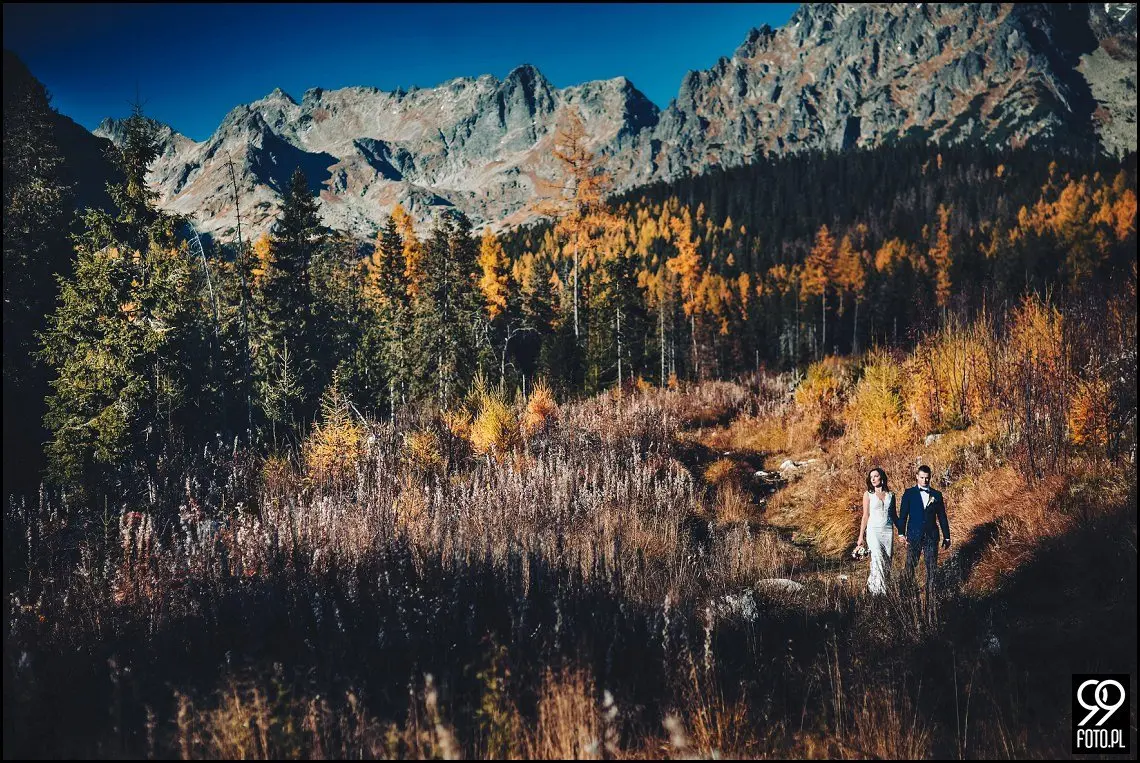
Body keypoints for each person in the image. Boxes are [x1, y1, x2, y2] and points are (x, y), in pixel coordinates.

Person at [896, 464, 951, 612]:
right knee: (910, 565)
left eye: (927, 478)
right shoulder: (909, 494)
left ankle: (931, 598)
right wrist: (901, 533)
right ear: (917, 477)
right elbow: (903, 516)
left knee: (932, 567)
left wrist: (947, 536)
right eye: (922, 478)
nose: (925, 480)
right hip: (914, 535)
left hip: (932, 536)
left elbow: (942, 517)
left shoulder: (937, 495)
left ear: (930, 478)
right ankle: (904, 595)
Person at [854, 466, 899, 595]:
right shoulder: (868, 494)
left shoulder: (891, 495)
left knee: (886, 561)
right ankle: (881, 594)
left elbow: (894, 516)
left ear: (882, 478)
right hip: (873, 531)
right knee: (878, 557)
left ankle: (869, 587)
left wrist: (902, 532)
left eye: (876, 476)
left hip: (888, 531)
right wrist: (860, 537)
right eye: (871, 477)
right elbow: (865, 516)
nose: (873, 479)